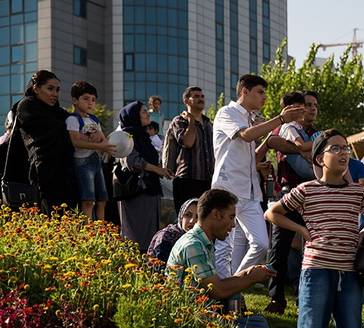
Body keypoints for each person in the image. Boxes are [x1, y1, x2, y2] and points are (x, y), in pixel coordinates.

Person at [265, 130, 364, 328]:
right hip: (316, 270)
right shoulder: (306, 190)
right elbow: (272, 213)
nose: (343, 153)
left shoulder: (358, 193)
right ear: (319, 158)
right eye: (335, 149)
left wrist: (362, 236)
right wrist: (301, 231)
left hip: (349, 273)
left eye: (345, 148)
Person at [211, 74, 305, 279]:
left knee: (261, 244)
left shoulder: (249, 119)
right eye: (260, 92)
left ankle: (231, 285)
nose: (264, 97)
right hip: (228, 189)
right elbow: (246, 135)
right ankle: (227, 296)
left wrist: (256, 165)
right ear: (244, 92)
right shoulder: (227, 112)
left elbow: (245, 152)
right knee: (227, 248)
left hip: (251, 191)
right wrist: (280, 119)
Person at [167, 188, 274, 328]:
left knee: (258, 322)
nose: (233, 225)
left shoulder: (203, 241)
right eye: (231, 217)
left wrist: (246, 274)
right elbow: (217, 290)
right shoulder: (193, 245)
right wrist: (251, 277)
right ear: (217, 215)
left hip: (201, 312)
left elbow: (213, 285)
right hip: (187, 319)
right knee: (258, 327)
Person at [265, 90, 320, 313]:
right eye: (308, 104)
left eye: (315, 104)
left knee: (312, 248)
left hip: (314, 194)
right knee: (279, 248)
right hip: (288, 194)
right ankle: (276, 298)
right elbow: (274, 143)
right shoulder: (283, 130)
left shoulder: (317, 134)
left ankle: (305, 297)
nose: (312, 108)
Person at [116, 100, 174, 252]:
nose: (147, 113)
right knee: (136, 238)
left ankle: (146, 270)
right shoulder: (126, 136)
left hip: (149, 189)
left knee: (149, 235)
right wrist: (157, 169)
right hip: (136, 192)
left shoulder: (144, 137)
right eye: (143, 111)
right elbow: (132, 161)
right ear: (133, 116)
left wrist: (162, 169)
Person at [14, 70, 77, 211]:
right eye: (50, 88)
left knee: (68, 220)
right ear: (36, 88)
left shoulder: (58, 111)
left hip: (66, 171)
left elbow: (75, 124)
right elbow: (54, 128)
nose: (55, 94)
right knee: (49, 217)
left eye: (57, 90)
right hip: (44, 171)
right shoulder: (26, 106)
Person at [66, 81, 116, 220]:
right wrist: (100, 146)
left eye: (93, 100)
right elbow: (75, 141)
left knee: (102, 199)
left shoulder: (94, 119)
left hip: (95, 161)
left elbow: (103, 139)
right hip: (82, 162)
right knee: (88, 199)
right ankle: (87, 231)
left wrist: (108, 146)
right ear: (75, 100)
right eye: (86, 98)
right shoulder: (72, 119)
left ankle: (100, 229)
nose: (90, 103)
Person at [164, 86, 215, 214]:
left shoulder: (209, 124)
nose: (201, 99)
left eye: (202, 96)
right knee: (185, 221)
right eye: (196, 96)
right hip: (186, 180)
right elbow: (188, 142)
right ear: (187, 101)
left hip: (207, 181)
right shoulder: (180, 121)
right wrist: (191, 121)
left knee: (205, 220)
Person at [147, 197, 199, 264]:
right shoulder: (166, 237)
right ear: (181, 216)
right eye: (188, 215)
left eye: (197, 217)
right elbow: (159, 267)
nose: (192, 221)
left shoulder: (199, 238)